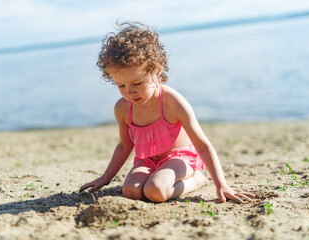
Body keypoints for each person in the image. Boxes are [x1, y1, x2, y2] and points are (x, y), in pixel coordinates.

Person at [80, 22, 253, 203]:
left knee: (155, 191)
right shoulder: (123, 108)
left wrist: (221, 184)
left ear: (157, 71)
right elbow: (124, 145)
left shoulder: (173, 103)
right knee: (131, 190)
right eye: (121, 85)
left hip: (180, 158)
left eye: (137, 83)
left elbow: (202, 145)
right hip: (148, 159)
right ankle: (159, 177)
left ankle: (197, 179)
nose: (129, 92)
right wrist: (105, 178)